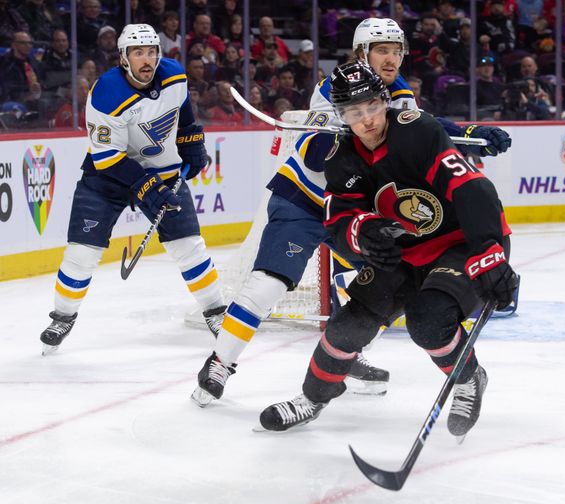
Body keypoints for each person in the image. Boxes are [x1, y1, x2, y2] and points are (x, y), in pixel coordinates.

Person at [190, 18, 512, 407]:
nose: (391, 59)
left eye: (396, 50)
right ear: (362, 53)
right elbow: (313, 154)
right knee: (267, 285)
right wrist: (339, 134)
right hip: (306, 202)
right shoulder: (333, 88)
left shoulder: (399, 93)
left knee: (371, 288)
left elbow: (420, 130)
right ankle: (220, 364)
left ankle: (348, 354)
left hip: (361, 213)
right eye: (382, 50)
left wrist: (470, 133)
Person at [257, 61, 519, 434]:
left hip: (463, 242)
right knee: (347, 328)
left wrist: (489, 253)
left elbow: (472, 189)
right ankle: (313, 398)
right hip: (406, 251)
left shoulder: (418, 132)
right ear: (342, 116)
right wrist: (366, 232)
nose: (366, 121)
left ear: (386, 101)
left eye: (372, 108)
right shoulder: (342, 157)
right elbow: (340, 217)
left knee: (428, 322)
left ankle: (468, 378)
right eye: (354, 112)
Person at [39, 24, 226, 354]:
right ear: (123, 58)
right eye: (138, 52)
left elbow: (181, 110)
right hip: (107, 178)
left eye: (152, 51)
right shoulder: (106, 93)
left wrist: (191, 138)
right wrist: (149, 187)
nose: (147, 59)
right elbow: (109, 159)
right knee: (82, 253)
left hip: (163, 172)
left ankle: (215, 311)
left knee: (188, 246)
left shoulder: (174, 75)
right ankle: (63, 317)